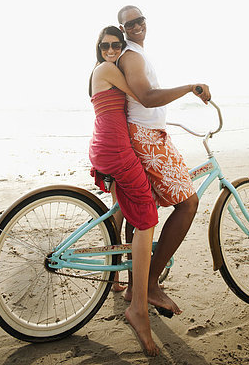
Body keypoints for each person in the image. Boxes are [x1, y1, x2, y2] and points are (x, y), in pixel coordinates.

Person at [117, 6, 211, 316]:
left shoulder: (138, 54)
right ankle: (151, 284)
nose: (137, 26)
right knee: (188, 203)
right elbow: (146, 96)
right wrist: (188, 87)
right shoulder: (131, 56)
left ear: (146, 21)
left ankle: (135, 285)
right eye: (129, 23)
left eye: (140, 20)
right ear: (123, 28)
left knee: (141, 212)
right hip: (146, 138)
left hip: (149, 133)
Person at [88, 25, 159, 356]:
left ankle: (118, 279)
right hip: (116, 149)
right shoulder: (105, 69)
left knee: (121, 210)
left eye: (117, 45)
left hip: (105, 145)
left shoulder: (104, 70)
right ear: (99, 48)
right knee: (146, 217)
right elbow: (143, 95)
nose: (112, 50)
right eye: (106, 45)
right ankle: (139, 308)